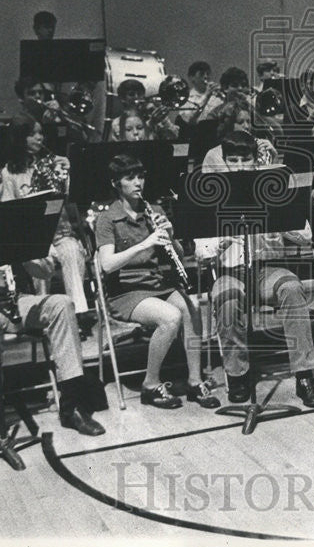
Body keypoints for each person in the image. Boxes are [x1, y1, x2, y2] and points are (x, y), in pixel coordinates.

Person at [0, 153, 105, 437]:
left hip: (13, 299)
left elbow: (44, 273)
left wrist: (30, 250)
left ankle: (72, 405)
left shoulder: (10, 216)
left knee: (61, 303)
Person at [199, 131, 314, 408]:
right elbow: (201, 253)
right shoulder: (212, 195)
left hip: (268, 270)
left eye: (245, 160)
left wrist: (279, 218)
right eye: (233, 160)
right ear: (225, 162)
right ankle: (237, 376)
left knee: (293, 289)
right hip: (229, 272)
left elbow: (306, 236)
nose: (240, 166)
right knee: (228, 299)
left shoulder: (273, 188)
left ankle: (305, 375)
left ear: (255, 162)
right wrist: (222, 241)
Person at [94, 154, 220, 410]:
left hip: (155, 284)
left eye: (140, 176)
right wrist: (145, 243)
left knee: (192, 306)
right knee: (170, 317)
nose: (138, 183)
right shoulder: (107, 219)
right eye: (130, 178)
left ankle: (195, 381)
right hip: (125, 292)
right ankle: (150, 385)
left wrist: (170, 236)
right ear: (116, 183)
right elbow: (107, 264)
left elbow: (178, 255)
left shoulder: (154, 211)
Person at [1, 115, 90, 314]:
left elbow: (73, 196)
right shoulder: (9, 173)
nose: (39, 138)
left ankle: (78, 312)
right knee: (38, 260)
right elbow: (8, 209)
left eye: (41, 133)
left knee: (73, 253)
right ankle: (46, 312)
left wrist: (70, 171)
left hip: (61, 233)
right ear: (19, 138)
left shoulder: (53, 163)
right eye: (32, 134)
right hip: (33, 238)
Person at [200, 99, 278, 171]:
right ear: (229, 125)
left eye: (248, 122)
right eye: (240, 122)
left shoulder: (261, 148)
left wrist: (274, 158)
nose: (247, 126)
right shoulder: (214, 155)